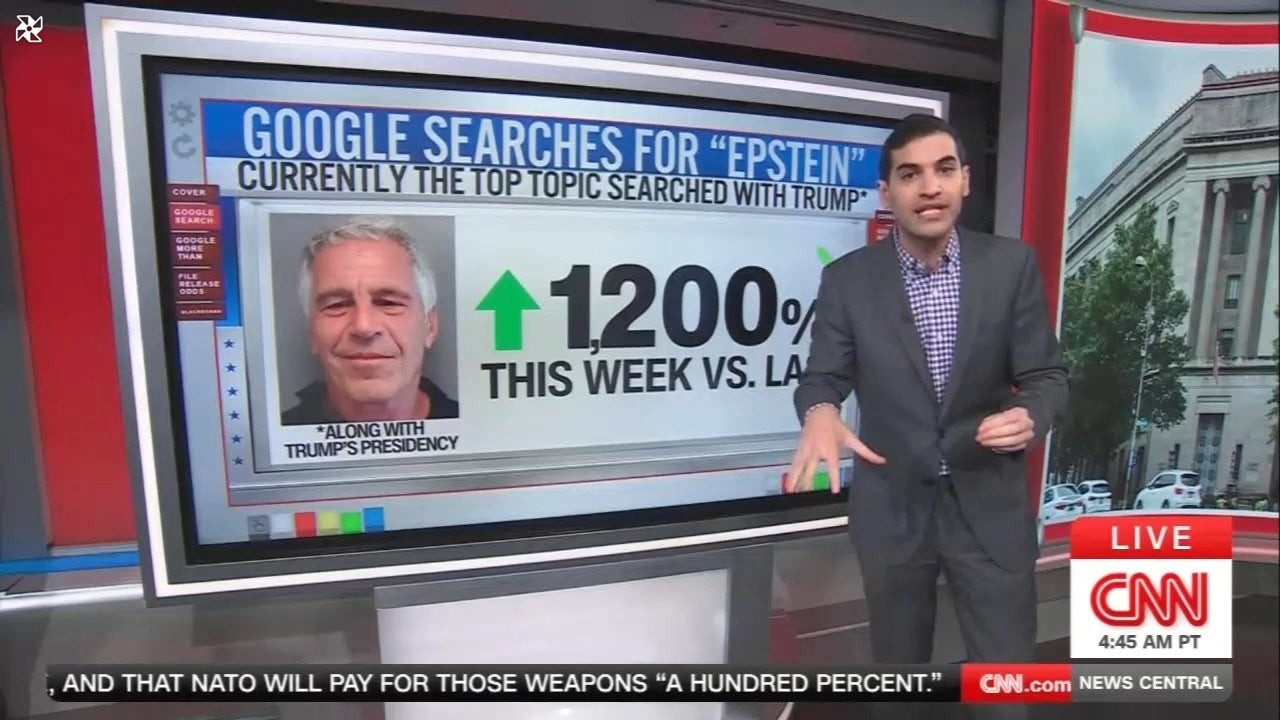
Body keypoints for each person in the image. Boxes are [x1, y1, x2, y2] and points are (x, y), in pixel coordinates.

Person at [788, 114, 1068, 717]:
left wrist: (1030, 414)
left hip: (989, 507)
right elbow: (822, 378)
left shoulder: (1010, 267)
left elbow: (1046, 376)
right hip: (894, 509)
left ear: (965, 179)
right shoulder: (848, 281)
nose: (929, 187)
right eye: (910, 175)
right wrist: (819, 412)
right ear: (887, 192)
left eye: (943, 170)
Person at [282, 218, 459, 425]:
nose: (363, 327)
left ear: (430, 326)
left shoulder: (480, 434)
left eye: (388, 303)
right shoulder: (270, 439)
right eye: (337, 305)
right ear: (312, 331)